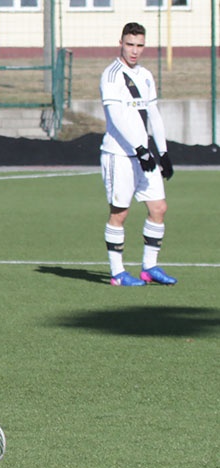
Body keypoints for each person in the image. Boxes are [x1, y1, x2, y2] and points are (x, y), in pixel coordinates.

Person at [99, 22, 176, 287]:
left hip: (145, 156)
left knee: (159, 207)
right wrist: (140, 148)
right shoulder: (111, 75)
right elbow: (116, 117)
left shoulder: (145, 75)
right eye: (130, 44)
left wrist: (162, 152)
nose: (134, 51)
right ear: (120, 43)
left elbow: (153, 113)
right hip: (119, 156)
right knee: (119, 213)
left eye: (139, 45)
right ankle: (117, 274)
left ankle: (150, 267)